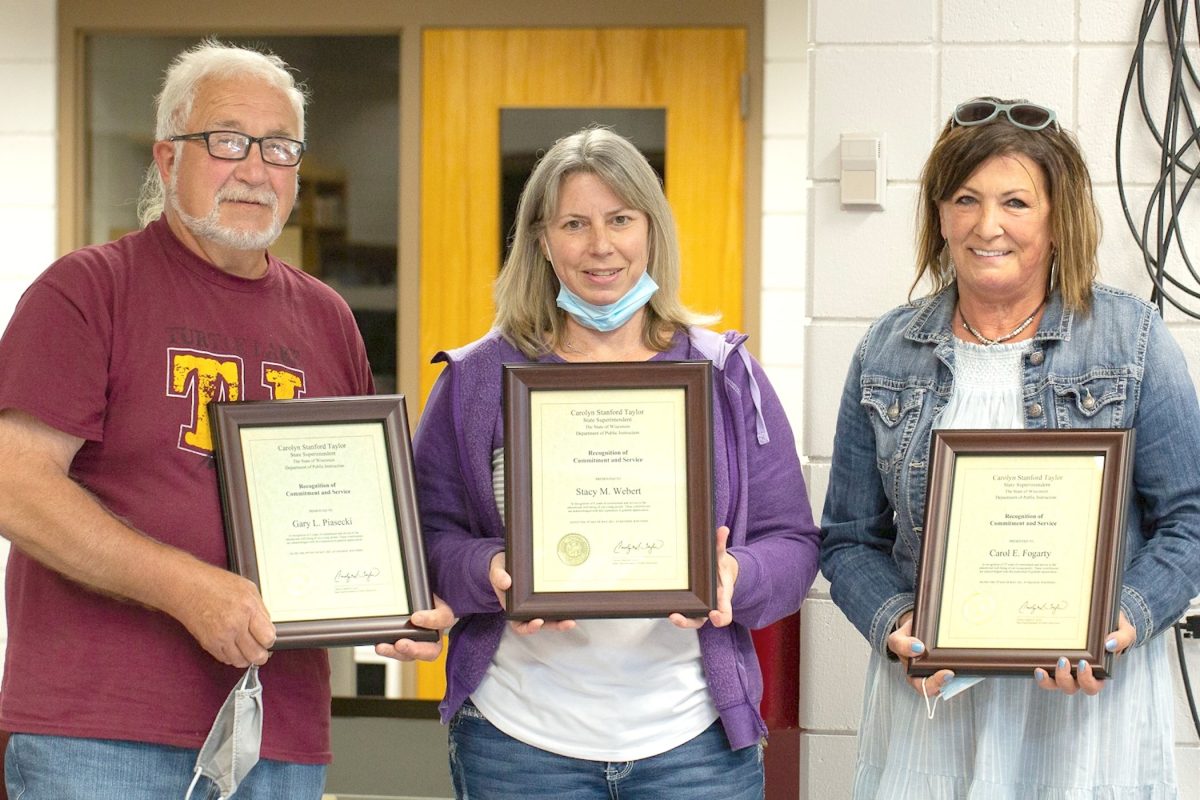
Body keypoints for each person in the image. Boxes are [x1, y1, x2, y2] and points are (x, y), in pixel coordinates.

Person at [0, 39, 449, 799]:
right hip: (100, 733)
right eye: (228, 141)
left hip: (277, 732)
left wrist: (394, 597)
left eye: (279, 149)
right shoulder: (88, 291)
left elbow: (357, 504)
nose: (254, 169)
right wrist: (188, 588)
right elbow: (15, 486)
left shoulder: (329, 319)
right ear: (168, 158)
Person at [414, 127, 821, 799]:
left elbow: (794, 544)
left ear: (651, 231)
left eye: (620, 219)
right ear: (543, 240)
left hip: (694, 744)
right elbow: (426, 540)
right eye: (575, 223)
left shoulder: (724, 375)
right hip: (518, 743)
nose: (600, 246)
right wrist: (489, 572)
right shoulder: (479, 379)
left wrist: (731, 578)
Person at [820, 97, 1200, 797]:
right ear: (938, 215)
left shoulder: (1133, 337)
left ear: (1059, 219)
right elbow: (846, 537)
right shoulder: (886, 350)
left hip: (1087, 718)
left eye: (1016, 202)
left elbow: (1191, 518)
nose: (986, 226)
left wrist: (1122, 622)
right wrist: (897, 622)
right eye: (964, 198)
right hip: (935, 715)